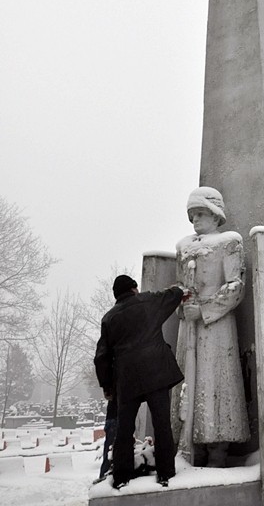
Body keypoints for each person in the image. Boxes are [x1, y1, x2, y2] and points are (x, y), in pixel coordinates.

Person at [175, 186, 250, 467]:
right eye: (192, 214)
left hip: (216, 328)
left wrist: (204, 310)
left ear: (216, 214)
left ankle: (219, 449)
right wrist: (183, 306)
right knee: (189, 386)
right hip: (190, 327)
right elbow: (179, 286)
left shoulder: (229, 242)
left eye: (201, 213)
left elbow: (236, 286)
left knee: (217, 384)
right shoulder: (183, 247)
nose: (195, 220)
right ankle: (191, 446)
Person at [94, 274, 188, 489]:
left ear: (116, 296)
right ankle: (166, 473)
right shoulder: (148, 301)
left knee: (124, 431)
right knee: (162, 425)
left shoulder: (109, 318)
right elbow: (171, 294)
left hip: (127, 380)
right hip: (156, 373)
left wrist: (107, 386)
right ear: (134, 289)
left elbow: (101, 357)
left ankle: (121, 476)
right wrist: (180, 291)